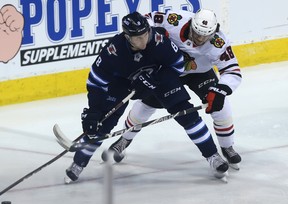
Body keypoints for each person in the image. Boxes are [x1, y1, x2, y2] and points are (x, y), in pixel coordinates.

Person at [65, 11, 229, 182]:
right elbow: (95, 82)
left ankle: (213, 156)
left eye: (146, 34)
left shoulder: (158, 41)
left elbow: (178, 65)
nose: (144, 41)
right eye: (138, 38)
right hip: (123, 82)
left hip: (157, 78)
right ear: (128, 37)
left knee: (186, 113)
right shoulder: (113, 51)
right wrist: (94, 109)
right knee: (101, 125)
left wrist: (156, 77)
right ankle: (78, 163)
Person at [102, 9, 242, 170]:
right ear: (190, 25)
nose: (200, 39)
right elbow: (148, 19)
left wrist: (220, 90)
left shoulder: (219, 42)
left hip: (200, 73)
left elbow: (232, 70)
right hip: (168, 70)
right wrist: (154, 33)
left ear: (214, 31)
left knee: (221, 105)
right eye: (197, 33)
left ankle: (227, 146)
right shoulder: (175, 19)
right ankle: (124, 139)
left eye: (206, 36)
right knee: (145, 106)